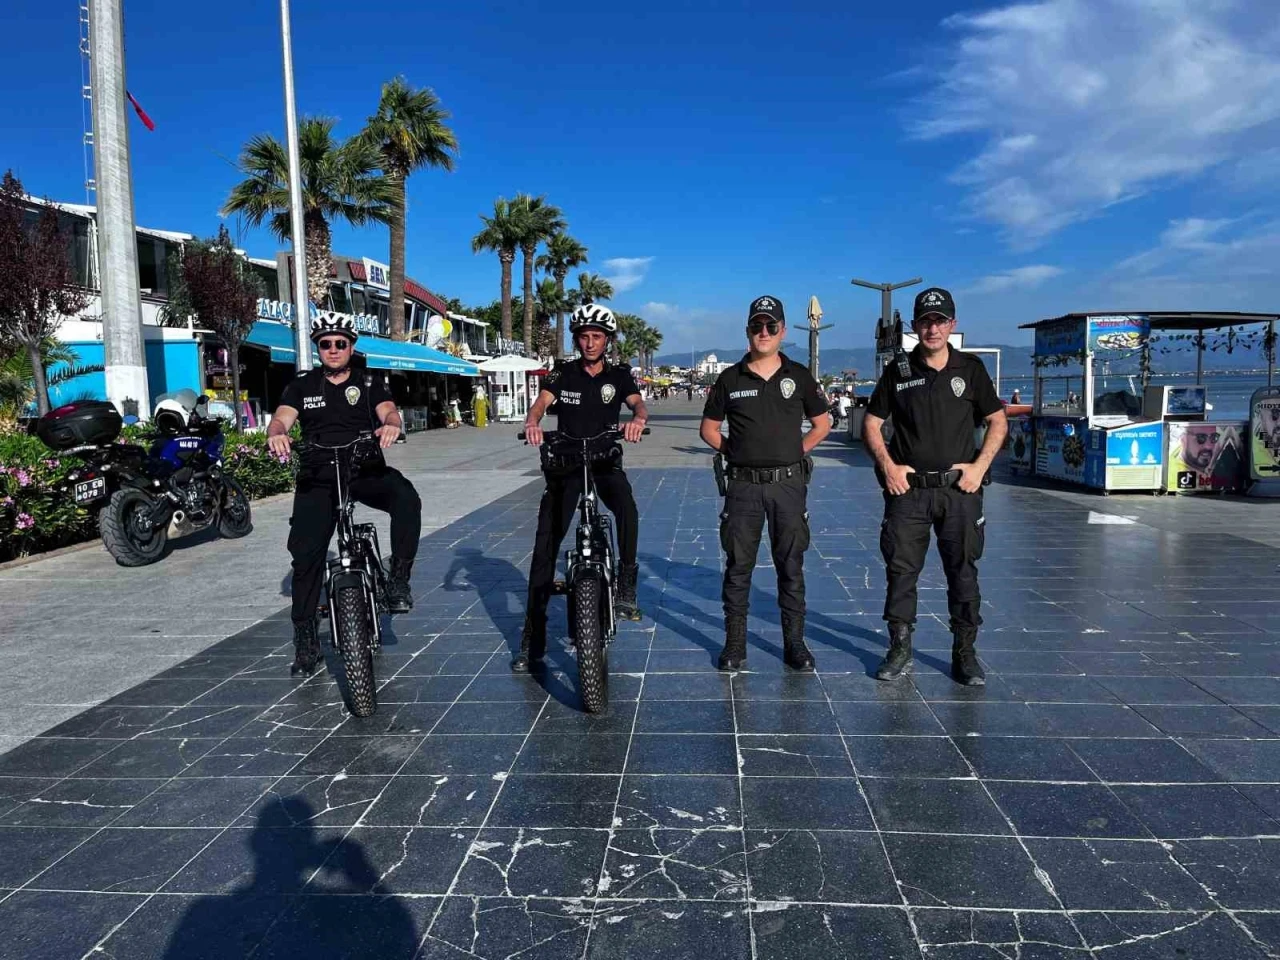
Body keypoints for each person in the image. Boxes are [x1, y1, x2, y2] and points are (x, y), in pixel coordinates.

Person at [863, 287, 1008, 687]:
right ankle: (899, 648)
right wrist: (889, 467)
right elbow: (872, 423)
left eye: (940, 321)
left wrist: (980, 467)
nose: (933, 329)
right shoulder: (898, 371)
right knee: (901, 571)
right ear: (915, 326)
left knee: (962, 570)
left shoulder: (970, 369)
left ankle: (965, 653)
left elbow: (998, 421)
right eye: (926, 321)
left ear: (952, 324)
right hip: (908, 492)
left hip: (959, 492)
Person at [266, 314, 422, 676]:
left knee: (406, 498)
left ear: (351, 347)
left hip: (363, 469)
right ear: (318, 348)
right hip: (318, 474)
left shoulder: (369, 382)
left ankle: (399, 579)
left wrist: (392, 425)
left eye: (340, 343)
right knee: (305, 556)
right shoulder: (302, 385)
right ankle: (306, 641)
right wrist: (276, 433)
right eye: (326, 344)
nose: (333, 349)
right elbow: (281, 418)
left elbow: (389, 412)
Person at [514, 303, 649, 672]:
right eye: (584, 337)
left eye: (597, 337)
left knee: (626, 507)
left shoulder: (619, 376)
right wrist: (532, 423)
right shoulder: (563, 373)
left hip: (604, 459)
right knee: (545, 545)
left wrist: (637, 421)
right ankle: (532, 636)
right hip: (568, 463)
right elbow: (540, 404)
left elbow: (638, 406)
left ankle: (627, 583)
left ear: (607, 341)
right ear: (576, 340)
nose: (590, 343)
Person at [700, 295, 831, 671]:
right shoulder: (730, 378)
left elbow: (822, 424)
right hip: (743, 487)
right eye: (757, 326)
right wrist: (737, 452)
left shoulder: (799, 376)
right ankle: (734, 645)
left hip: (788, 485)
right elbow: (709, 429)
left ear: (782, 331)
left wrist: (793, 451)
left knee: (790, 565)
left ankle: (795, 644)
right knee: (738, 567)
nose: (764, 332)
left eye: (771, 326)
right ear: (747, 331)